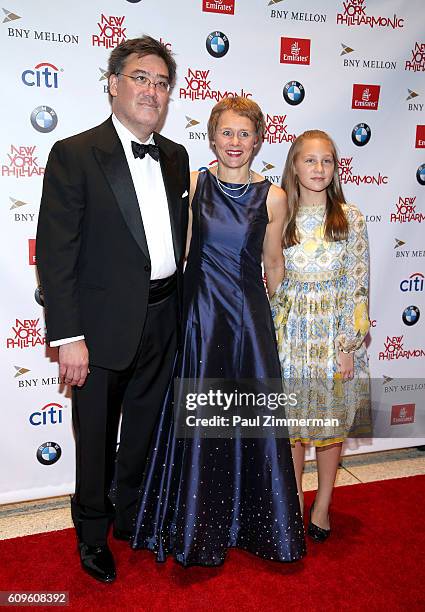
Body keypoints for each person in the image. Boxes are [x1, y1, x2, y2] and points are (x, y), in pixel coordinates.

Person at [36, 36, 190, 582]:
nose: (152, 90)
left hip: (164, 318)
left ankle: (133, 518)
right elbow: (57, 254)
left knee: (145, 432)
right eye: (141, 78)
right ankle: (93, 536)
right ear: (114, 84)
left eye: (161, 82)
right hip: (98, 328)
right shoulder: (75, 154)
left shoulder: (176, 156)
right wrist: (68, 335)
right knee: (97, 438)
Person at [131, 97, 306, 566]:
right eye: (226, 133)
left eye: (245, 134)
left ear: (258, 140)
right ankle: (198, 526)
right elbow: (183, 253)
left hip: (249, 323)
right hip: (202, 320)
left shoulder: (273, 197)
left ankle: (253, 525)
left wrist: (275, 328)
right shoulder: (193, 185)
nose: (235, 143)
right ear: (212, 138)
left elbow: (274, 264)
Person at [271, 130, 370, 542]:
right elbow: (272, 277)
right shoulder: (279, 216)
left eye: (327, 161)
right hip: (290, 337)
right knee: (293, 429)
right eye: (309, 160)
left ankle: (323, 504)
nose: (319, 169)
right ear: (294, 165)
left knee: (331, 429)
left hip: (334, 338)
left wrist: (349, 344)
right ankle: (293, 501)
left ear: (335, 168)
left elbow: (358, 284)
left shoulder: (351, 217)